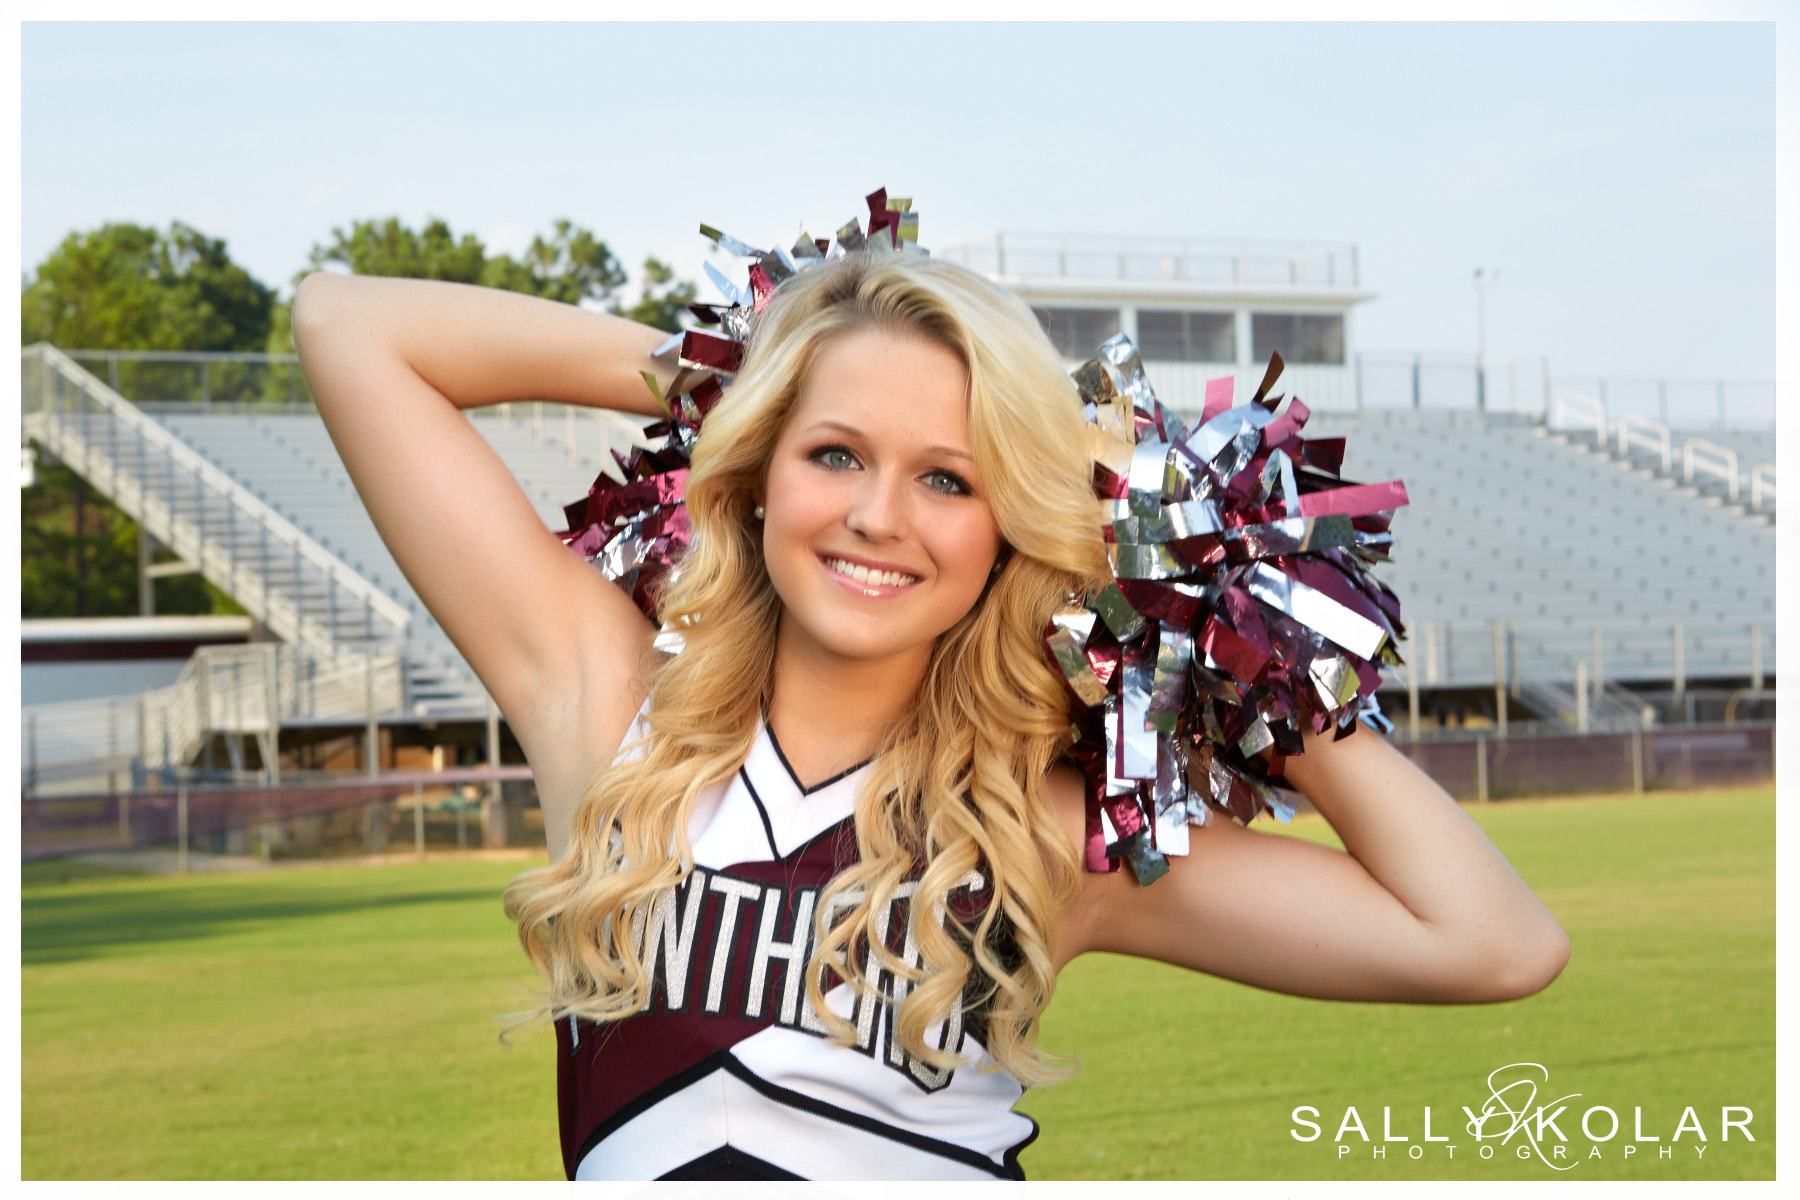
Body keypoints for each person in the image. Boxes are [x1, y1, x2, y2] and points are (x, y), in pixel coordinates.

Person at [291, 230, 1568, 1182]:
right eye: (834, 449)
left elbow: (1494, 943)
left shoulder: (1045, 833)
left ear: (1009, 526)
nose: (878, 516)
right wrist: (755, 358)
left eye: (950, 479)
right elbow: (346, 325)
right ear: (759, 464)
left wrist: (1236, 603)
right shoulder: (611, 710)